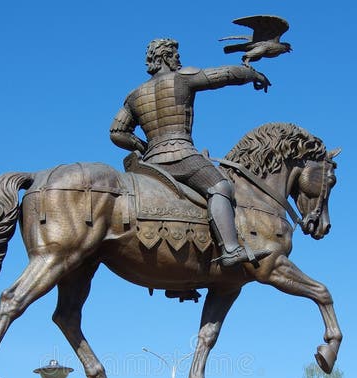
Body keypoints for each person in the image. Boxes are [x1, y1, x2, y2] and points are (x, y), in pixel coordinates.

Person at [110, 38, 270, 267]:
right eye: (175, 55)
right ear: (166, 57)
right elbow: (224, 75)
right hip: (182, 155)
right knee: (221, 187)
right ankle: (231, 249)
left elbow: (117, 132)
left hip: (150, 165)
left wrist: (145, 147)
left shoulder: (134, 95)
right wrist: (252, 74)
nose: (179, 59)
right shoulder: (182, 78)